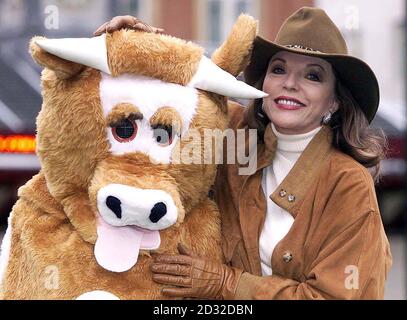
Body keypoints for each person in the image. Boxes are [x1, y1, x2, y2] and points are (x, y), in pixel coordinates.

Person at [94, 7, 392, 299]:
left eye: (312, 76)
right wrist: (136, 42)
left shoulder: (347, 183)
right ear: (264, 84)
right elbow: (171, 100)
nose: (290, 83)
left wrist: (225, 283)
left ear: (334, 102)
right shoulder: (236, 138)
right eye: (279, 69)